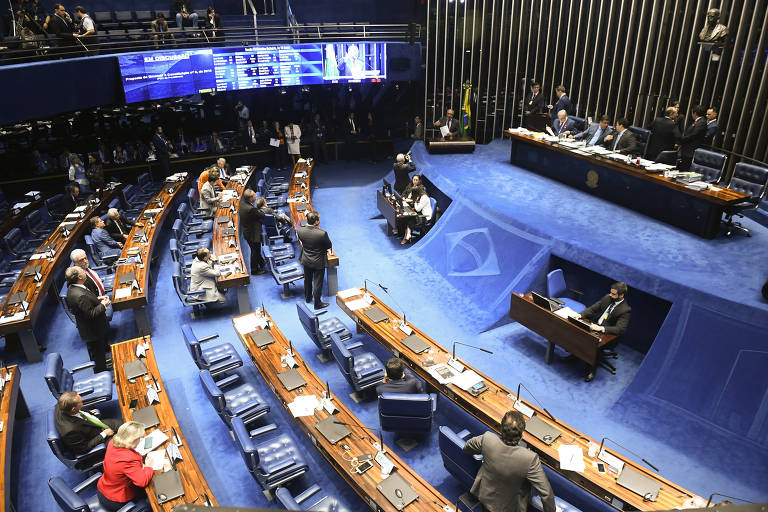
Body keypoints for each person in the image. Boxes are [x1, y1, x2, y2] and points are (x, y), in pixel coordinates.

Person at [463, 411, 556, 512]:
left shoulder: (487, 439)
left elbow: (467, 447)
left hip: (485, 499)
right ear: (521, 435)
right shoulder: (530, 458)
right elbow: (547, 494)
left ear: (501, 428)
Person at [579, 282, 631, 382]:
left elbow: (620, 329)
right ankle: (575, 356)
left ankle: (592, 370)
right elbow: (593, 308)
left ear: (621, 295)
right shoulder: (607, 298)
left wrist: (601, 329)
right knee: (580, 333)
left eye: (614, 294)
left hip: (609, 335)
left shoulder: (625, 310)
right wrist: (580, 315)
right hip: (596, 325)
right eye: (610, 293)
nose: (611, 295)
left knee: (596, 345)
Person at [96, 421, 154, 511]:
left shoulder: (113, 442)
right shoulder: (129, 459)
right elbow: (142, 481)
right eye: (139, 438)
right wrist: (148, 468)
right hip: (116, 500)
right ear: (132, 441)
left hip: (105, 487)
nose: (140, 439)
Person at [65, 266, 111, 372]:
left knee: (99, 353)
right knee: (98, 355)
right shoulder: (80, 295)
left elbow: (86, 304)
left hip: (90, 328)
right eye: (82, 272)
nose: (85, 272)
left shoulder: (73, 287)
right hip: (93, 330)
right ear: (80, 276)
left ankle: (103, 366)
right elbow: (91, 313)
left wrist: (97, 299)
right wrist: (103, 305)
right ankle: (102, 373)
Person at [54, 391, 122, 455]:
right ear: (73, 409)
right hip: (95, 436)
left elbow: (78, 411)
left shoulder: (62, 404)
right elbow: (83, 448)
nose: (83, 403)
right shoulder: (70, 431)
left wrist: (87, 413)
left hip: (93, 424)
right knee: (125, 442)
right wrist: (104, 434)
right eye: (81, 402)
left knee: (127, 424)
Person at [297, 211, 332, 309]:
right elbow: (328, 245)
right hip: (318, 261)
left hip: (306, 259)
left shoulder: (300, 230)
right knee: (317, 282)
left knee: (307, 280)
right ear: (316, 222)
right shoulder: (322, 233)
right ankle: (317, 303)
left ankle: (308, 298)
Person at [240, 190, 267, 275]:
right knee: (254, 251)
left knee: (255, 250)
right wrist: (264, 208)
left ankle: (261, 262)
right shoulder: (251, 209)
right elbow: (262, 215)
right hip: (252, 233)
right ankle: (254, 270)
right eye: (254, 196)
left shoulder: (242, 204)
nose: (256, 197)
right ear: (251, 198)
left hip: (247, 231)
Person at [677, 105, 707, 171]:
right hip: (687, 150)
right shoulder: (698, 121)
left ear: (695, 113)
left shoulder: (702, 122)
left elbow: (693, 135)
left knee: (685, 170)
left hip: (690, 151)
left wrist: (681, 139)